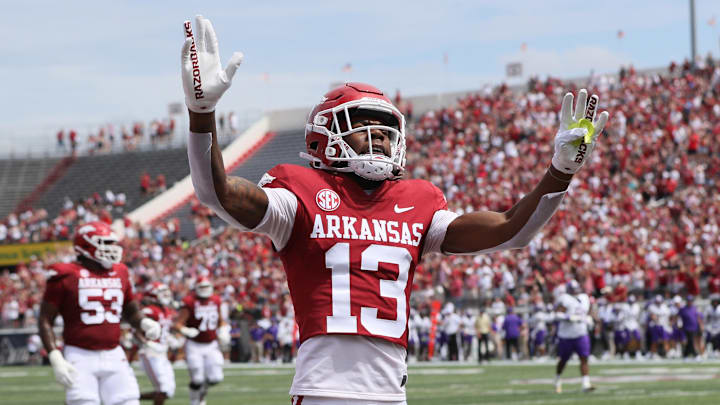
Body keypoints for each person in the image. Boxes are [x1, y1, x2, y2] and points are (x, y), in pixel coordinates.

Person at [181, 15, 609, 404]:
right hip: (321, 390)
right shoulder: (299, 192)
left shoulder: (418, 201)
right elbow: (216, 194)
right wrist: (203, 115)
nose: (380, 138)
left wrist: (559, 172)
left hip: (391, 393)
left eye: (386, 130)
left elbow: (513, 230)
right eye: (363, 126)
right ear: (323, 138)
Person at [38, 221, 161, 405]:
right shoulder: (66, 274)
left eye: (112, 243)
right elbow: (45, 319)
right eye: (105, 243)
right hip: (79, 354)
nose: (112, 248)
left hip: (114, 352)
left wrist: (143, 322)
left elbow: (130, 309)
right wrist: (55, 357)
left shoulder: (120, 272)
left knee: (129, 401)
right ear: (85, 246)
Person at [173, 276, 231, 405]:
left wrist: (223, 330)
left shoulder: (216, 300)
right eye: (202, 287)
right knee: (197, 378)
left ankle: (201, 393)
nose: (204, 290)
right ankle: (195, 401)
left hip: (211, 344)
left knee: (216, 377)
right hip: (194, 344)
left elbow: (221, 320)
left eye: (206, 287)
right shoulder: (190, 301)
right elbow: (178, 324)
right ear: (196, 288)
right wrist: (186, 331)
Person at [138, 282, 176, 405]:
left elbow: (165, 330)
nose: (166, 294)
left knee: (169, 391)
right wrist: (146, 342)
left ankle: (129, 398)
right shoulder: (149, 311)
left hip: (163, 352)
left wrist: (171, 338)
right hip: (150, 352)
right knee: (163, 389)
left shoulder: (166, 310)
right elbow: (135, 330)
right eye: (162, 292)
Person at [553, 280, 594, 393]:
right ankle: (557, 379)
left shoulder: (584, 297)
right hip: (566, 335)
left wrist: (589, 318)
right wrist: (569, 318)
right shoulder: (565, 298)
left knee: (584, 358)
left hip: (581, 333)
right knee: (564, 360)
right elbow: (556, 314)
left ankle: (586, 383)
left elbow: (588, 311)